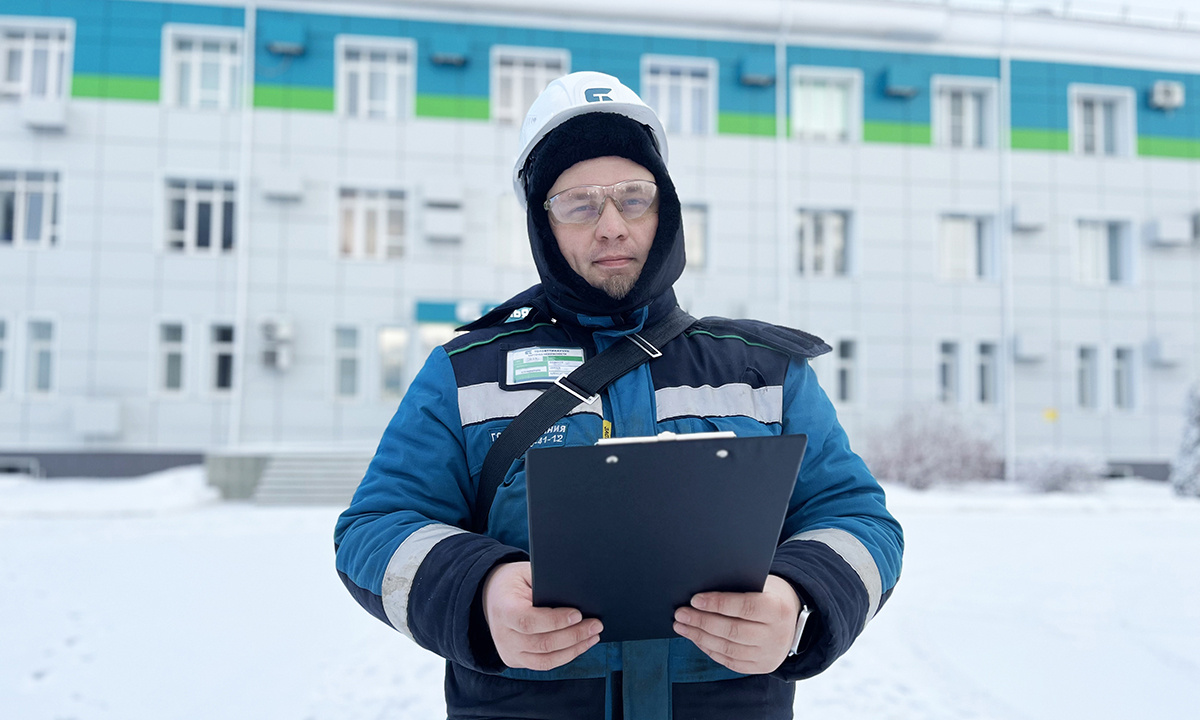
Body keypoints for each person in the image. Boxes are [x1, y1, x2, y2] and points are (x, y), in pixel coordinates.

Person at [334, 71, 903, 720]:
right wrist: (478, 589)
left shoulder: (764, 372)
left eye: (633, 198)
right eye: (578, 205)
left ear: (667, 208)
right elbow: (374, 530)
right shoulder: (464, 373)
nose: (610, 226)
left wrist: (799, 599)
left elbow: (858, 518)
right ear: (541, 224)